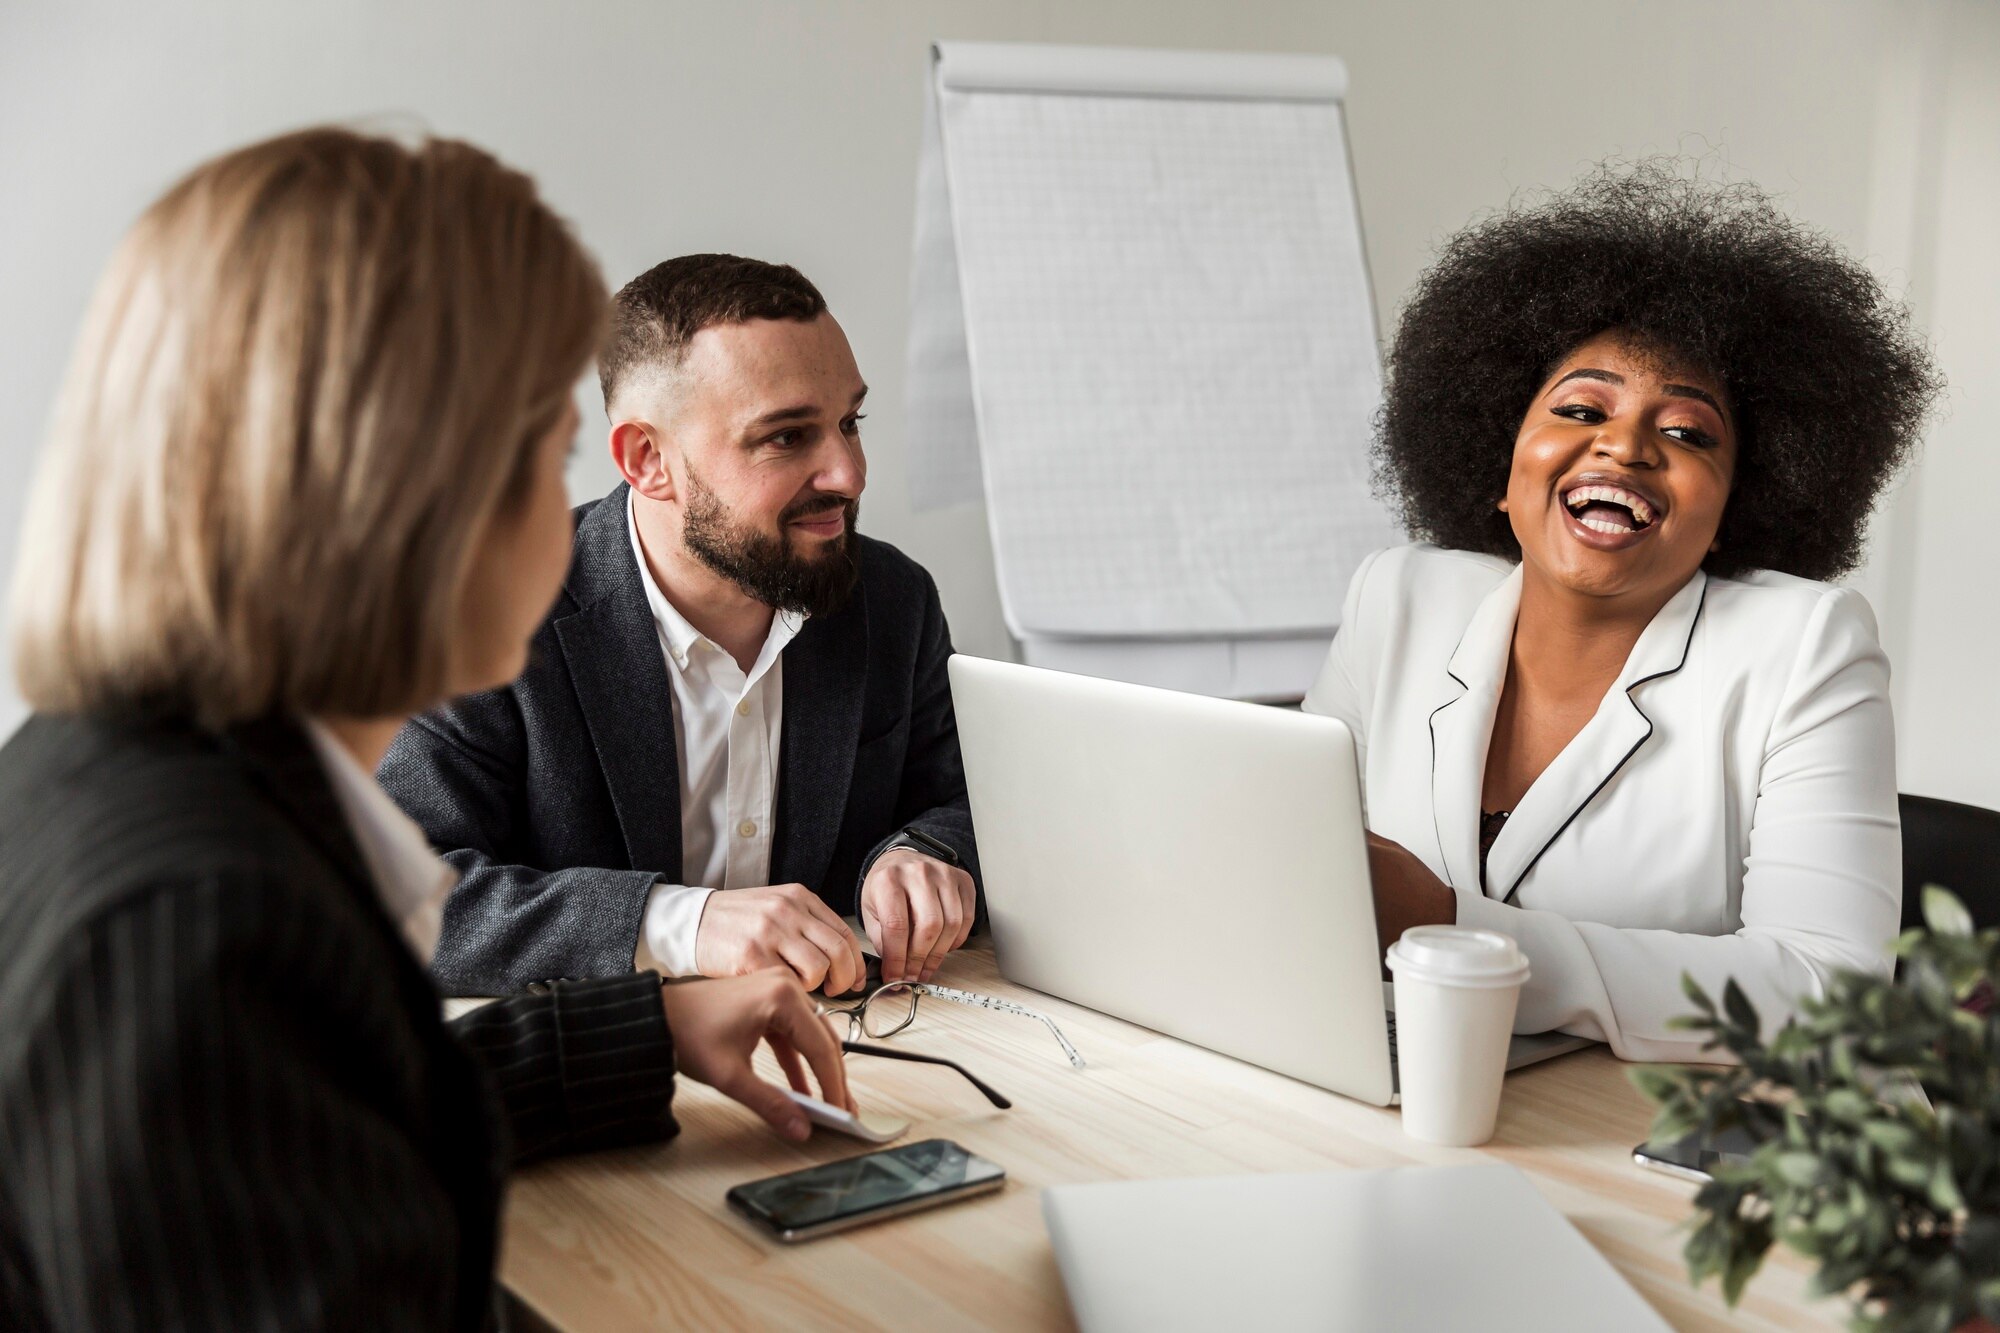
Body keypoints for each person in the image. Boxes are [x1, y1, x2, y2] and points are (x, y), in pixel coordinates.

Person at [0, 129, 853, 1329]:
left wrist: (637, 1030)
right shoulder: (195, 922)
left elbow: (297, 1117)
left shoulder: (124, 770)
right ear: (406, 487)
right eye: (539, 454)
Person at [1305, 163, 1942, 1062]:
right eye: (1580, 406)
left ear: (1735, 509)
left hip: (1699, 1146)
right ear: (1499, 460)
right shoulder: (1397, 596)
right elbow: (1290, 861)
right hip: (1413, 1089)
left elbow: (1829, 989)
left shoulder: (1806, 646)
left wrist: (1453, 929)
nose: (1627, 443)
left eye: (1687, 432)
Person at [380, 254, 979, 1000]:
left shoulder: (893, 599)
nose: (850, 474)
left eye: (849, 421)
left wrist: (925, 851)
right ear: (647, 459)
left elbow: (974, 802)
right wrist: (682, 924)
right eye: (787, 437)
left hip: (868, 1052)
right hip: (605, 1075)